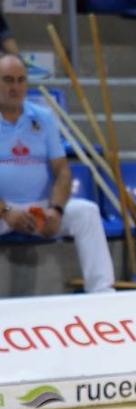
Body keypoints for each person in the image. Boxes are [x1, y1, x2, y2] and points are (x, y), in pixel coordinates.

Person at [0, 55, 114, 293]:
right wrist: (7, 211)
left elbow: (62, 170)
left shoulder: (44, 117)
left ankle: (103, 293)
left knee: (86, 213)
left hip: (39, 208)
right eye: (8, 80)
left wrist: (56, 210)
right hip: (2, 210)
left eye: (21, 80)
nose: (15, 87)